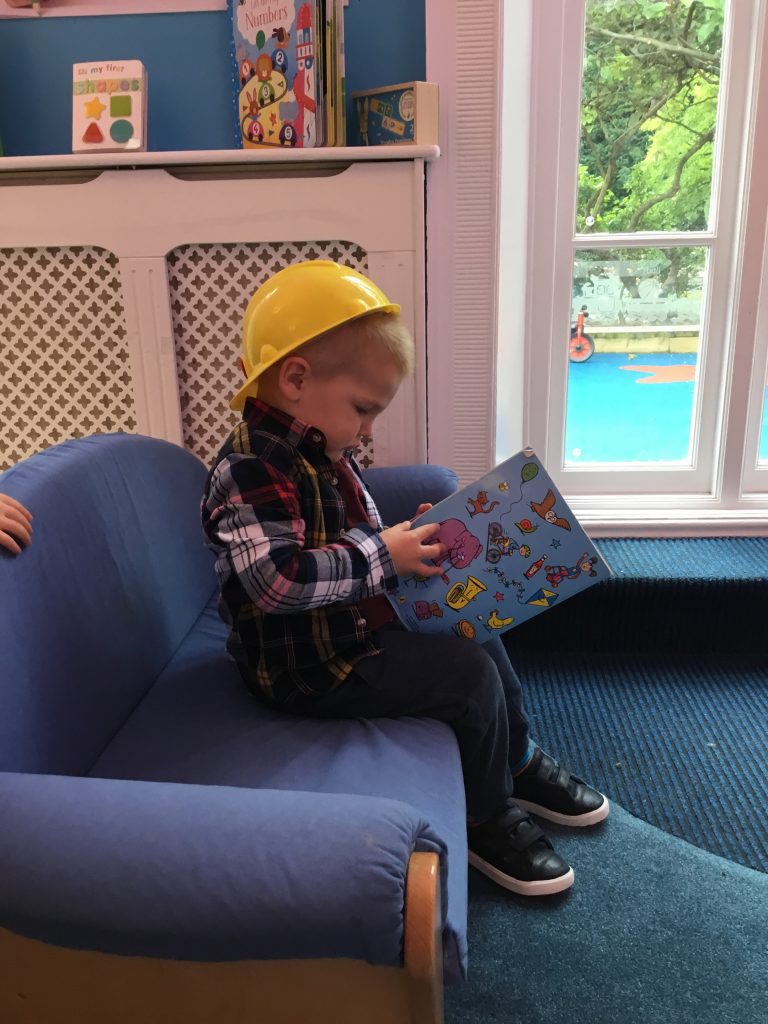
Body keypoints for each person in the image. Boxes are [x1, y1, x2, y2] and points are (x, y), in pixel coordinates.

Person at [202, 261, 608, 897]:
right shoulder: (249, 467)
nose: (368, 429)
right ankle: (483, 814)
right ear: (296, 379)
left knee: (478, 626)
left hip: (353, 623)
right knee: (466, 677)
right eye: (363, 409)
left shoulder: (323, 448)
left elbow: (351, 533)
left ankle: (518, 757)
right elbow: (276, 581)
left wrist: (412, 536)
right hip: (305, 666)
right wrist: (383, 554)